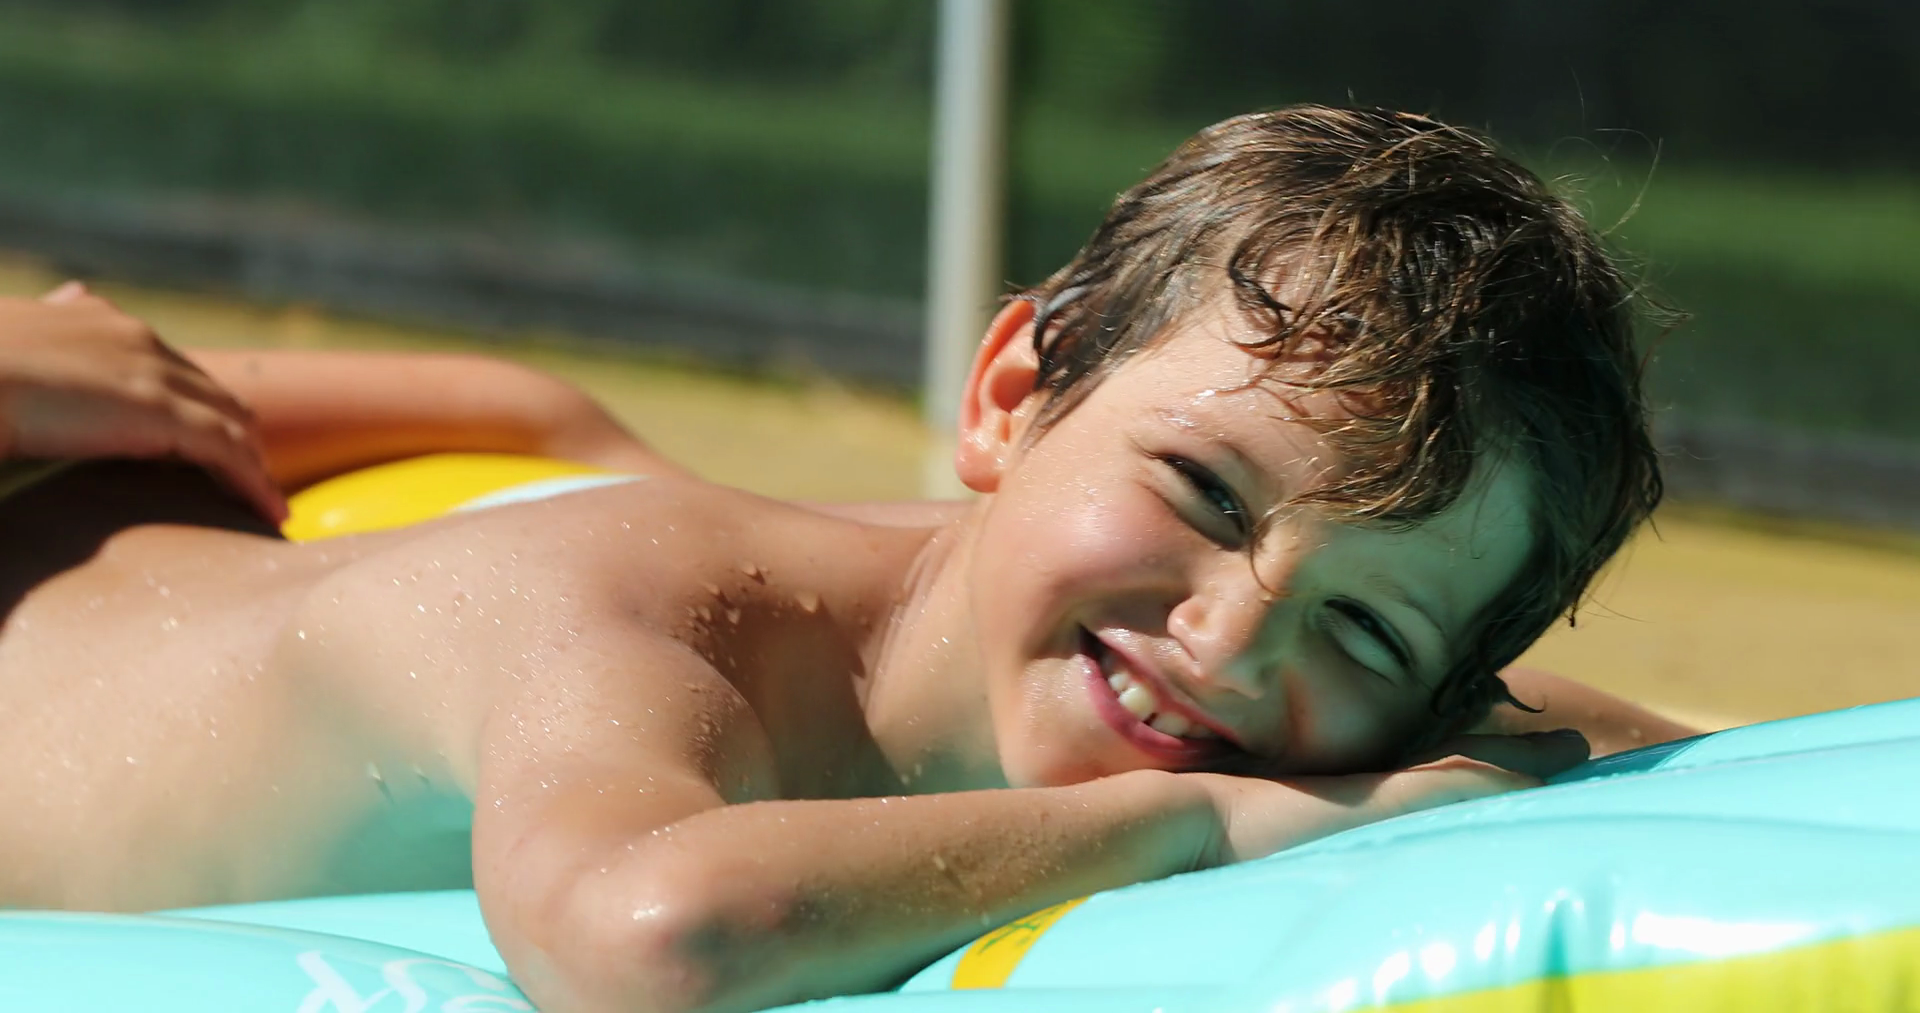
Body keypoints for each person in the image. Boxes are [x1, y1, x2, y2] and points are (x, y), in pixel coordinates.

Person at [0, 106, 1692, 1013]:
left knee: (528, 417)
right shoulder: (617, 615)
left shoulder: (1323, 666)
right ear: (1011, 394)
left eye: (1368, 632)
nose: (1232, 647)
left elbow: (1571, 734)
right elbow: (645, 939)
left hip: (337, 527)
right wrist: (1212, 816)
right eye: (1202, 491)